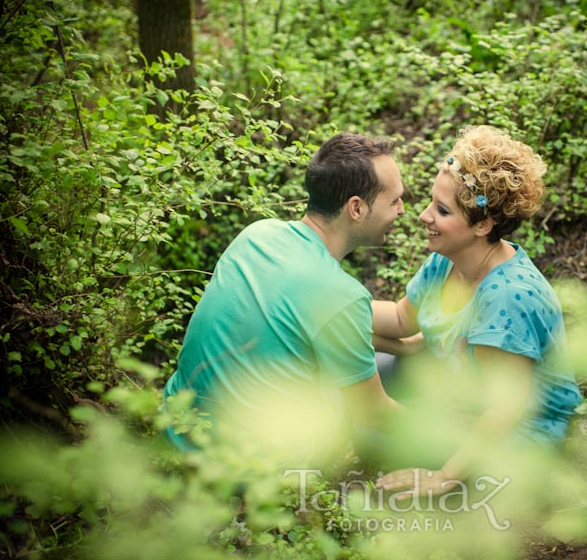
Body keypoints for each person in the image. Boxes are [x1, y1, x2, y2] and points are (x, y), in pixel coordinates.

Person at [162, 132, 406, 461]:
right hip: (252, 467)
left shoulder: (258, 234)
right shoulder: (340, 296)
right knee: (388, 378)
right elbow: (374, 411)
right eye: (394, 201)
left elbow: (312, 311)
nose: (402, 211)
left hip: (178, 432)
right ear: (357, 208)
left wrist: (402, 333)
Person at [370, 125, 582, 497]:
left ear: (483, 224)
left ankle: (467, 479)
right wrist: (330, 303)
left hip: (515, 429)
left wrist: (443, 476)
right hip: (462, 391)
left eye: (442, 210)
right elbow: (402, 320)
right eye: (430, 202)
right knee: (364, 378)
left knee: (369, 430)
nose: (423, 216)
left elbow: (505, 408)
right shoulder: (446, 260)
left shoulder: (507, 297)